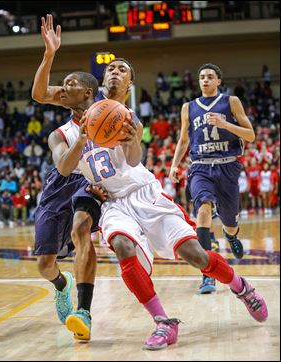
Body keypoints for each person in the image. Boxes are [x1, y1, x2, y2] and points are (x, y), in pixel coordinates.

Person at [76, 59, 267, 350]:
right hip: (114, 203)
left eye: (122, 69)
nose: (115, 72)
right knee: (122, 247)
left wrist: (132, 139)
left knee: (197, 256)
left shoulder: (130, 119)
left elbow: (133, 160)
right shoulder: (86, 104)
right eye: (111, 69)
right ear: (101, 80)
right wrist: (50, 53)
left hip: (145, 194)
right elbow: (50, 94)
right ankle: (164, 322)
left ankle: (241, 287)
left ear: (131, 83)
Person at [32, 14, 107, 342]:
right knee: (44, 264)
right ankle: (61, 287)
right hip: (60, 184)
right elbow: (38, 94)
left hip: (90, 181)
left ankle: (83, 310)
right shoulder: (58, 134)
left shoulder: (107, 112)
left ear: (89, 91)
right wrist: (49, 55)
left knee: (81, 233)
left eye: (71, 85)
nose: (63, 90)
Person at [169, 63, 254, 292]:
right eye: (202, 77)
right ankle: (208, 274)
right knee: (203, 210)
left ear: (218, 81)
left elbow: (251, 135)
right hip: (200, 167)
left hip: (228, 166)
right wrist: (175, 165)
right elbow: (183, 140)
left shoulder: (231, 102)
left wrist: (225, 124)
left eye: (210, 77)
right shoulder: (188, 107)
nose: (205, 80)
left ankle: (231, 235)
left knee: (230, 222)